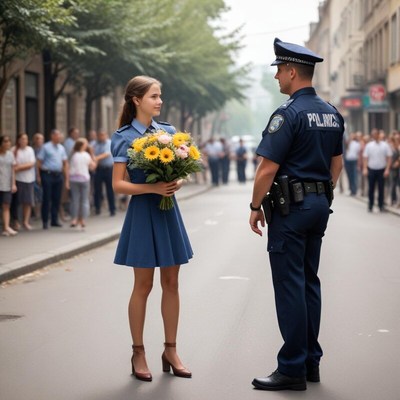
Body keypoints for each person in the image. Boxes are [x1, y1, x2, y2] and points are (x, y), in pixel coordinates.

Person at [249, 38, 344, 391]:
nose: (276, 77)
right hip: (319, 206)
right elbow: (336, 164)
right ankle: (310, 362)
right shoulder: (332, 113)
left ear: (291, 71)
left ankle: (291, 368)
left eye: (278, 70)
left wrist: (255, 206)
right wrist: (321, 193)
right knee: (309, 284)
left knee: (290, 287)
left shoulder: (287, 114)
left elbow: (266, 169)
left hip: (291, 210)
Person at [111, 75, 192, 382]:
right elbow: (118, 184)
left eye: (160, 96)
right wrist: (153, 188)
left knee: (171, 282)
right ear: (137, 100)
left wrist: (176, 181)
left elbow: (181, 172)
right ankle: (138, 352)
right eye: (154, 96)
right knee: (142, 286)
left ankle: (171, 350)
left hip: (168, 211)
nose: (160, 101)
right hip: (143, 213)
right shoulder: (122, 136)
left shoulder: (169, 132)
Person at [36, 129, 69, 229]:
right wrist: (38, 176)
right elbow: (38, 162)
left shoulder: (61, 148)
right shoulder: (45, 147)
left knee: (56, 198)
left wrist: (66, 178)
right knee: (46, 198)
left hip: (58, 175)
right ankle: (45, 221)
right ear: (52, 136)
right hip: (47, 174)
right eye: (57, 136)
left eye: (60, 136)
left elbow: (65, 163)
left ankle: (54, 220)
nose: (59, 138)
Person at [69, 138, 96, 228]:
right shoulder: (86, 155)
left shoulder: (73, 155)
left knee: (75, 200)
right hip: (84, 179)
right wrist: (92, 154)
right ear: (82, 145)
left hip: (73, 179)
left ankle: (74, 219)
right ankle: (83, 219)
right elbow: (93, 166)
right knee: (84, 200)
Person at [362, 128, 392, 212]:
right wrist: (365, 168)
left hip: (381, 170)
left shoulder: (385, 145)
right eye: (373, 134)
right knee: (371, 188)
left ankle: (381, 205)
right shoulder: (369, 145)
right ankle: (370, 205)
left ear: (378, 135)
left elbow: (389, 158)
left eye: (375, 134)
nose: (374, 136)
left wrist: (387, 169)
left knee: (381, 188)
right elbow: (365, 158)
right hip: (371, 169)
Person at [12, 133, 36, 230]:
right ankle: (16, 221)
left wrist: (19, 167)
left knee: (28, 201)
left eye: (26, 139)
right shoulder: (14, 150)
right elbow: (13, 165)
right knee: (17, 202)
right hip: (17, 179)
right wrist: (18, 168)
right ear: (18, 140)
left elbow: (30, 164)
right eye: (22, 139)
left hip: (29, 179)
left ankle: (25, 221)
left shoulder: (30, 150)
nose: (24, 141)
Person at [92, 130, 116, 216]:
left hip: (108, 169)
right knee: (97, 189)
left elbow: (106, 154)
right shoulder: (95, 144)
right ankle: (97, 208)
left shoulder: (109, 143)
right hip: (99, 169)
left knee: (110, 189)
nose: (101, 137)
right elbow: (91, 151)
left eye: (103, 135)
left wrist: (96, 158)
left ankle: (112, 209)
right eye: (100, 136)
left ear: (106, 135)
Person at [0, 135, 18, 236]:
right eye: (5, 141)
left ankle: (6, 227)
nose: (8, 144)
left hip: (7, 184)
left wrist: (13, 183)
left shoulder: (10, 154)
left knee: (6, 205)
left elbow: (13, 170)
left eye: (9, 141)